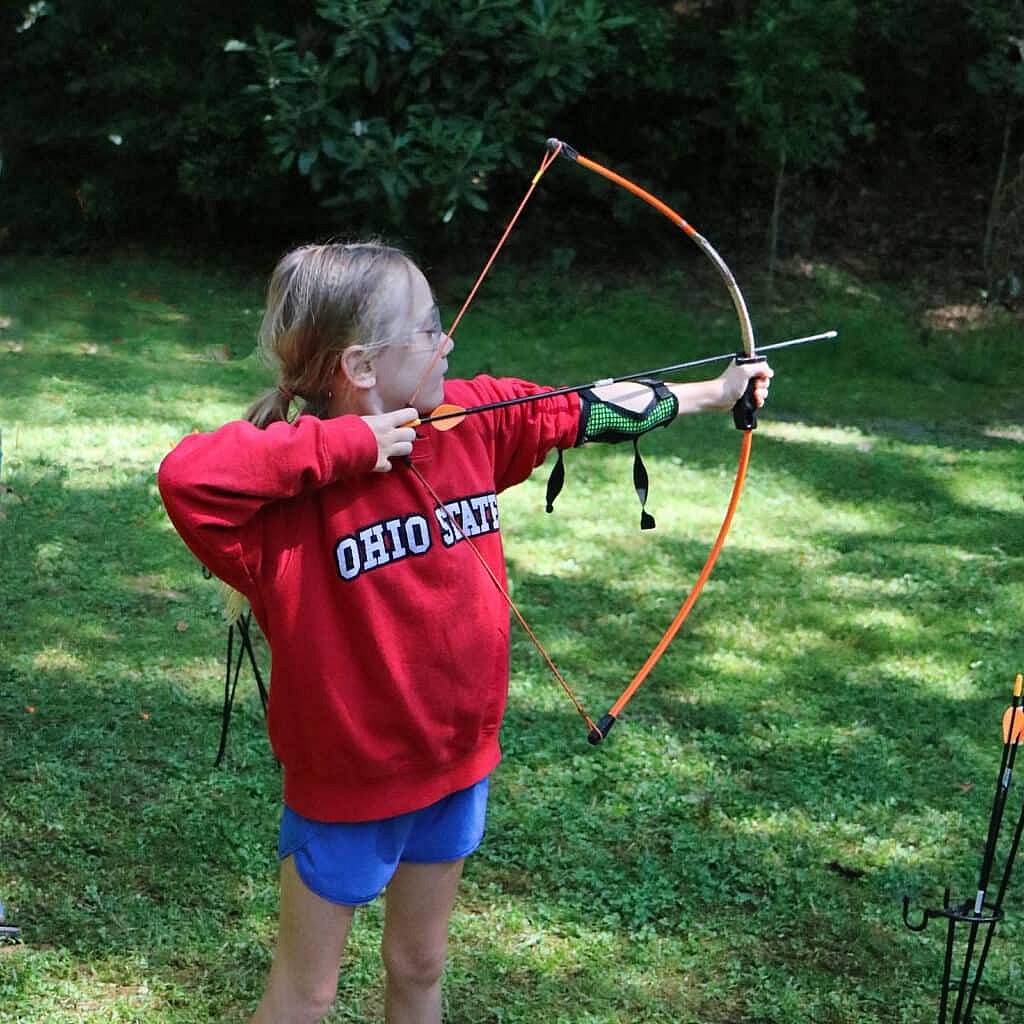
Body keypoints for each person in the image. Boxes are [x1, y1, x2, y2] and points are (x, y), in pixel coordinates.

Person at [157, 241, 772, 1024]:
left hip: (454, 766)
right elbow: (187, 478)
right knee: (307, 992)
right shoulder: (286, 497)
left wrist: (713, 395)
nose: (448, 342)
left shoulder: (466, 424)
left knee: (421, 964)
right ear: (361, 366)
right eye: (428, 329)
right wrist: (353, 448)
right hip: (349, 786)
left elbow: (585, 406)